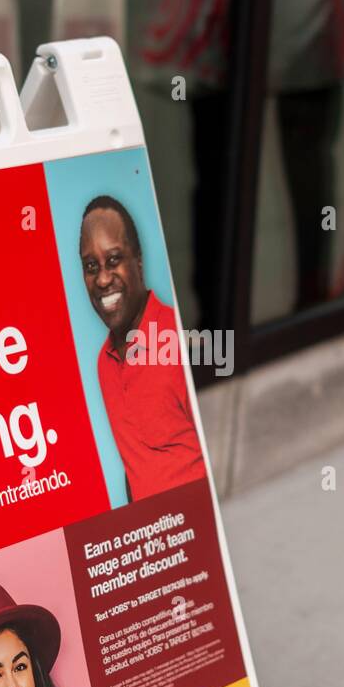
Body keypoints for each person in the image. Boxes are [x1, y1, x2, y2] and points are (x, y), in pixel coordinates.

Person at [79, 195, 206, 501]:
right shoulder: (103, 364)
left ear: (138, 260)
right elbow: (135, 467)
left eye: (113, 260)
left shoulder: (180, 339)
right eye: (91, 266)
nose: (103, 278)